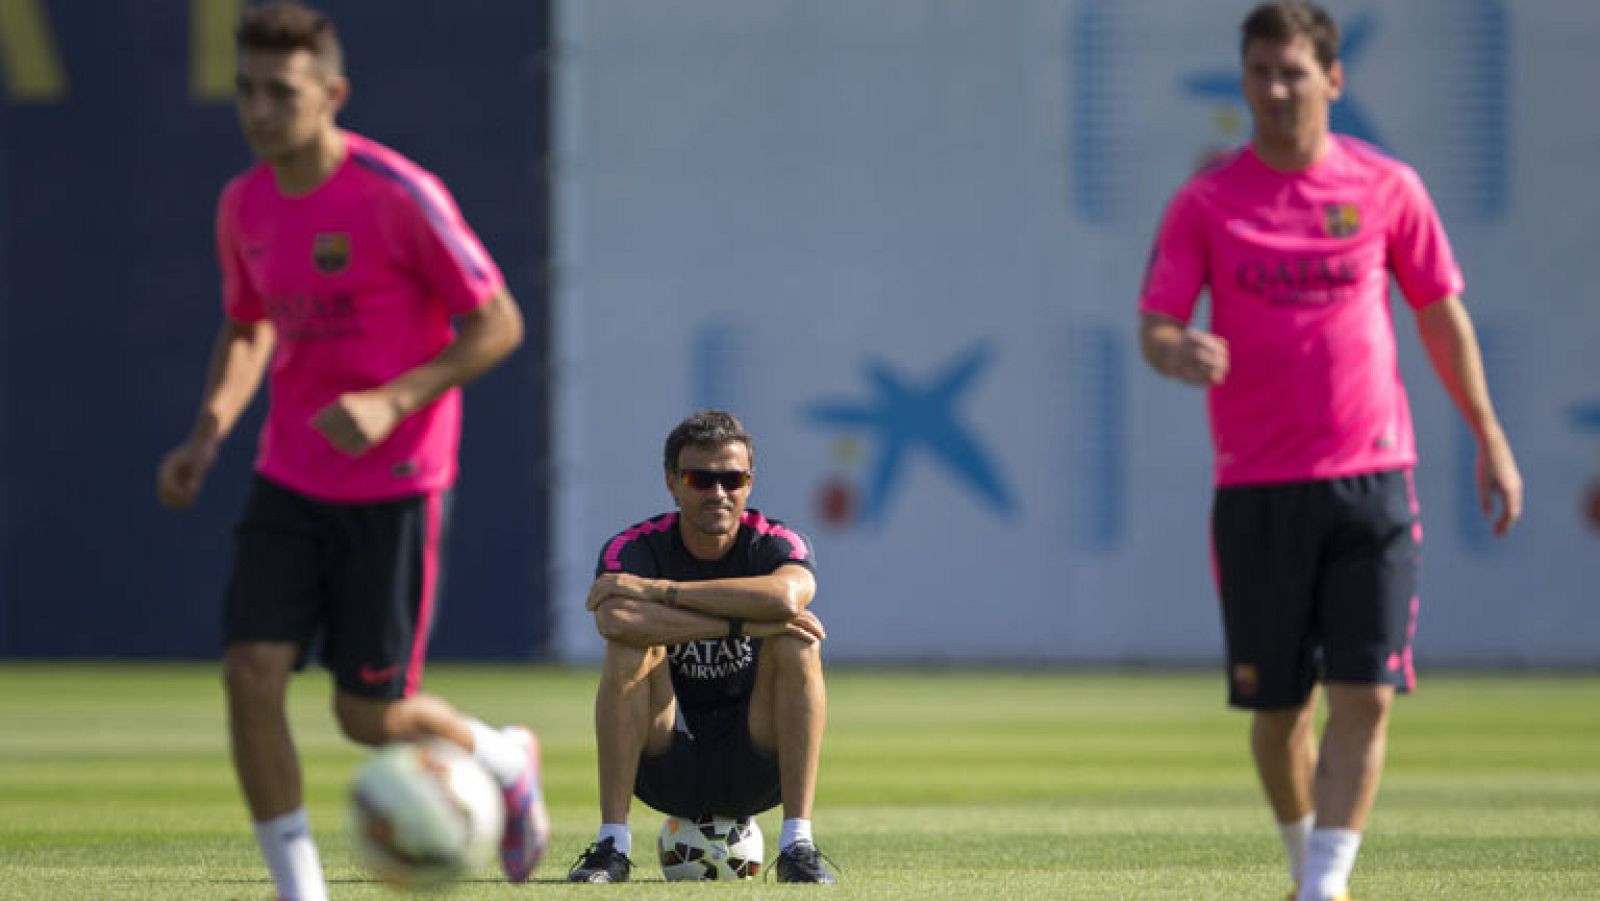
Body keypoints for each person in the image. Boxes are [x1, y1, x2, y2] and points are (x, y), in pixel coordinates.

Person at [154, 4, 549, 897]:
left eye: (281, 93)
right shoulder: (242, 203)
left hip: (396, 479)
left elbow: (498, 322)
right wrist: (207, 431)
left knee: (368, 717)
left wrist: (391, 399)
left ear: (330, 93)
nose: (259, 111)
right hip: (288, 471)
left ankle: (500, 754)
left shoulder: (395, 192)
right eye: (246, 91)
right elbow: (248, 325)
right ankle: (301, 890)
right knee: (250, 670)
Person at [1136, 3, 1522, 900]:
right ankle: (1306, 855)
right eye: (1260, 72)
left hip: (1374, 479)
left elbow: (1438, 314)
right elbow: (1156, 325)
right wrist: (1176, 350)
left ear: (1333, 80)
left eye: (1293, 72)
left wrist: (1489, 436)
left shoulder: (1389, 187)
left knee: (1367, 693)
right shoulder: (1207, 200)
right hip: (1258, 488)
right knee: (1278, 715)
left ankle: (1325, 885)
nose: (1274, 90)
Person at [568, 409, 838, 884]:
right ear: (672, 482)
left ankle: (798, 844)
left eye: (733, 479)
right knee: (629, 645)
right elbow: (615, 618)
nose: (718, 492)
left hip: (756, 760)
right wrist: (743, 627)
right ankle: (612, 844)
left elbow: (787, 597)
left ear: (750, 484)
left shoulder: (773, 542)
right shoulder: (634, 546)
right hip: (664, 754)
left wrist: (659, 592)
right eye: (700, 478)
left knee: (798, 644)